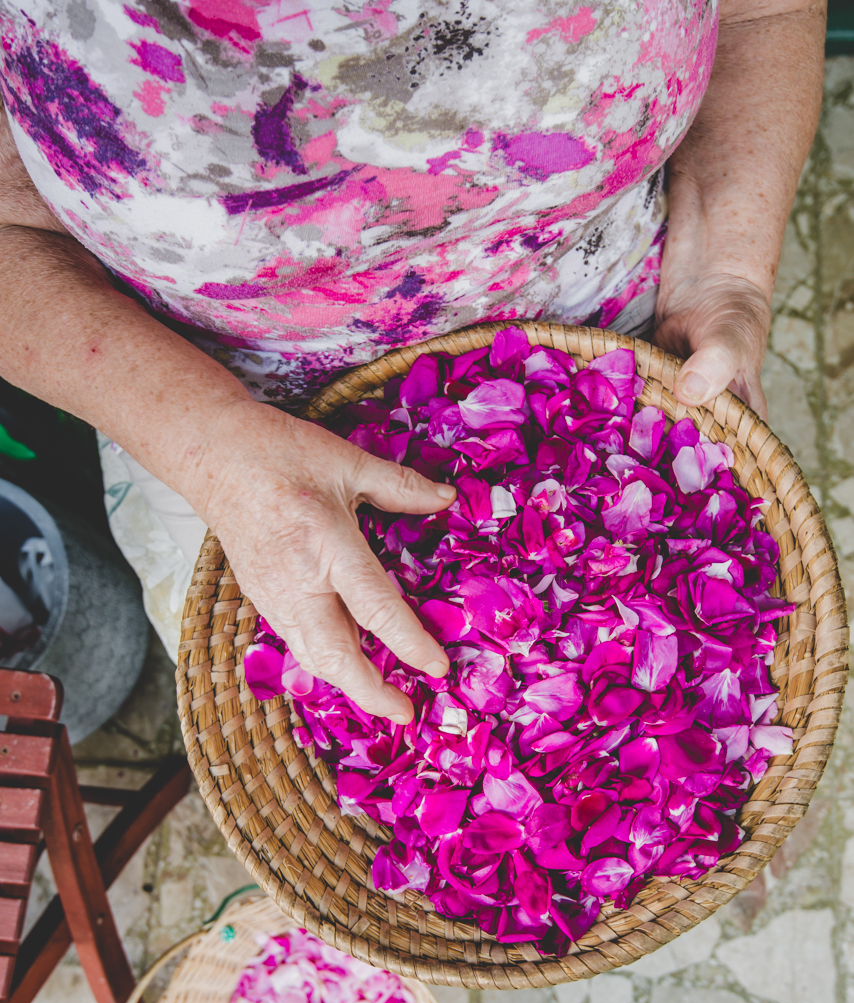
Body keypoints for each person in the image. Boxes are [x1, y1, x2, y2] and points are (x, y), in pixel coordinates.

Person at [0, 0, 825, 724]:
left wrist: (728, 271)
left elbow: (766, 11)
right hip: (225, 429)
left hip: (614, 371)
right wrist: (210, 450)